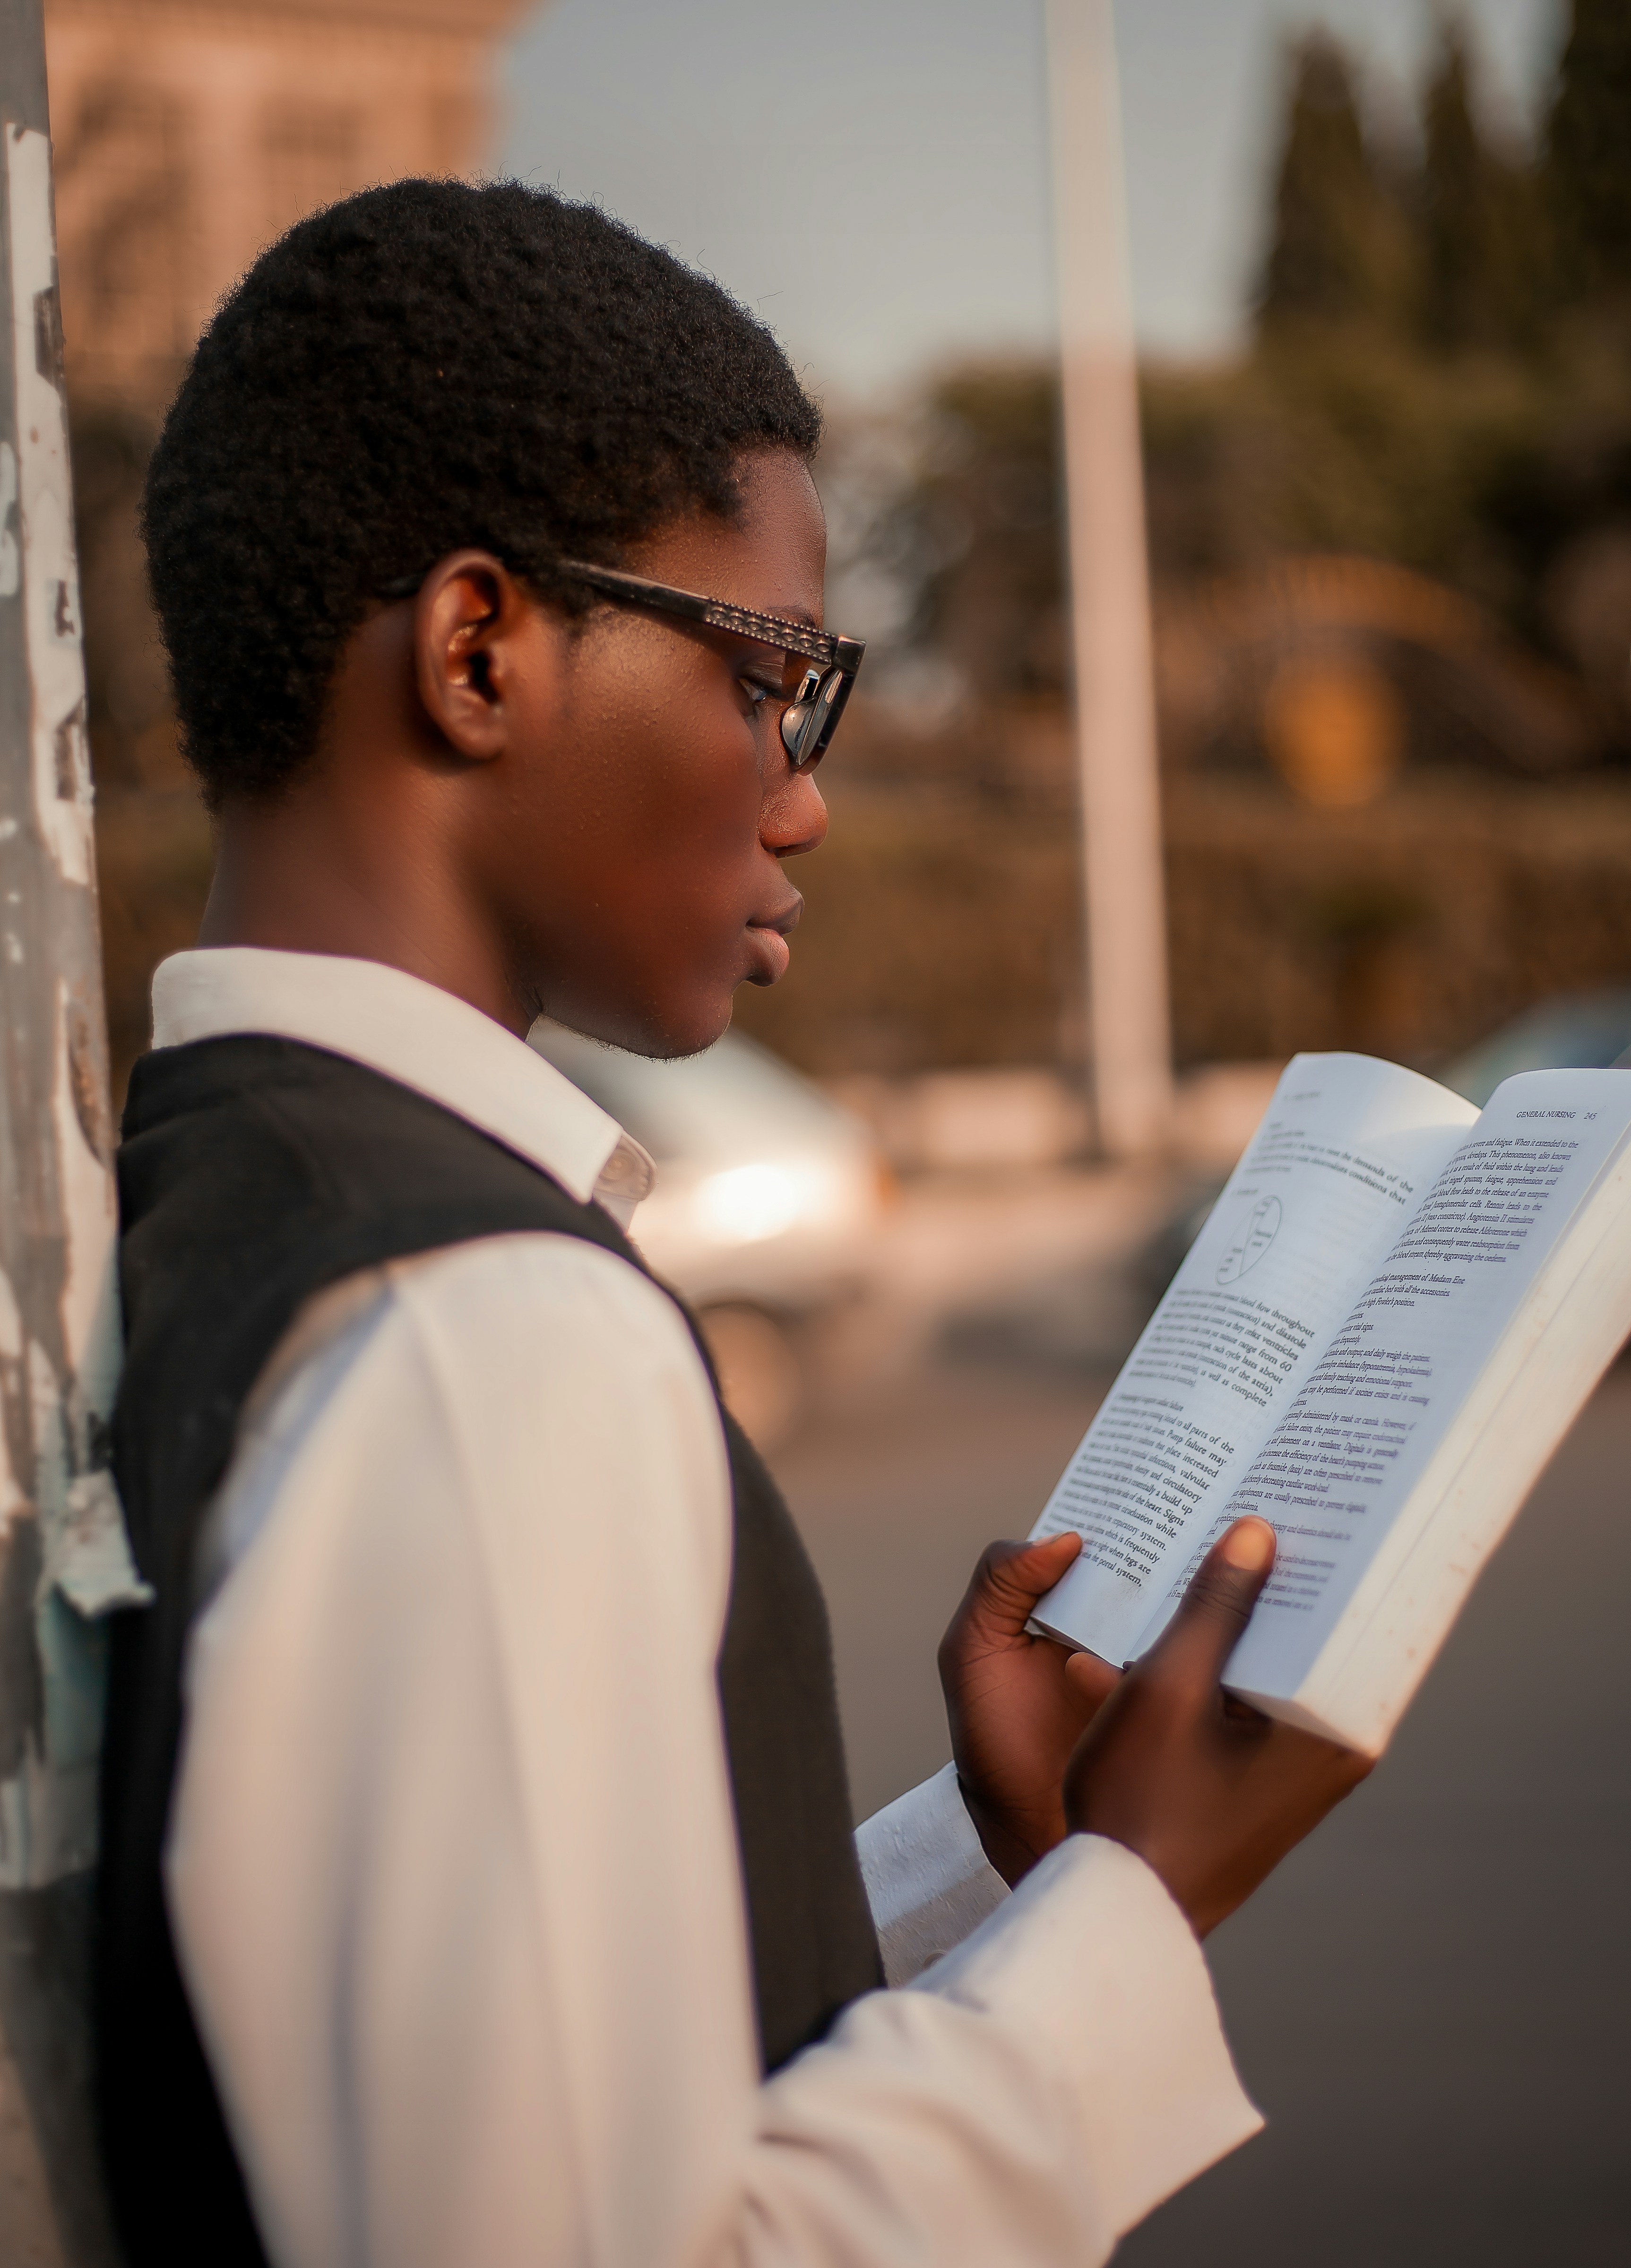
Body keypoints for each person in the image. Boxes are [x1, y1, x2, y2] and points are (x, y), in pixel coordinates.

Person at [97, 180, 1369, 2268]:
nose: (804, 791)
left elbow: (542, 2032)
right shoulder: (480, 1332)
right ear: (481, 650)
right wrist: (1131, 1910)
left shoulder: (210, 1189)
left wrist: (989, 1869)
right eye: (771, 672)